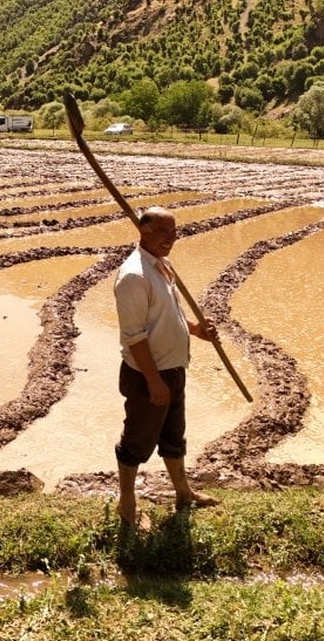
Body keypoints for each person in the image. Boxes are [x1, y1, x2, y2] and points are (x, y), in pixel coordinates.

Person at [113, 206, 221, 527]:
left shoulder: (162, 266)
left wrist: (195, 330)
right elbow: (134, 336)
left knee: (174, 437)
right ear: (143, 232)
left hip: (173, 370)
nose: (170, 239)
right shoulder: (134, 276)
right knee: (137, 441)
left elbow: (165, 315)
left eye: (174, 233)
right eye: (163, 232)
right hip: (150, 375)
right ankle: (127, 504)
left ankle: (184, 493)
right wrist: (153, 380)